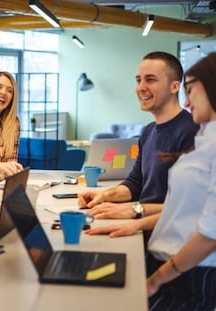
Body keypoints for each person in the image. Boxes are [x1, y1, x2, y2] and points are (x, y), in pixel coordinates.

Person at [86, 52, 216, 310]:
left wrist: (156, 280)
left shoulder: (195, 133)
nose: (189, 103)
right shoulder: (195, 135)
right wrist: (132, 221)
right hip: (167, 254)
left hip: (190, 266)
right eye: (138, 79)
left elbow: (207, 229)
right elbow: (177, 203)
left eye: (192, 92)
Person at [78, 51, 199, 220]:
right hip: (142, 223)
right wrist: (104, 196)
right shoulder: (149, 132)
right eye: (138, 80)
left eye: (150, 79)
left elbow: (190, 206)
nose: (141, 87)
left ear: (174, 86)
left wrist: (133, 210)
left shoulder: (192, 131)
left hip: (167, 233)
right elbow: (135, 184)